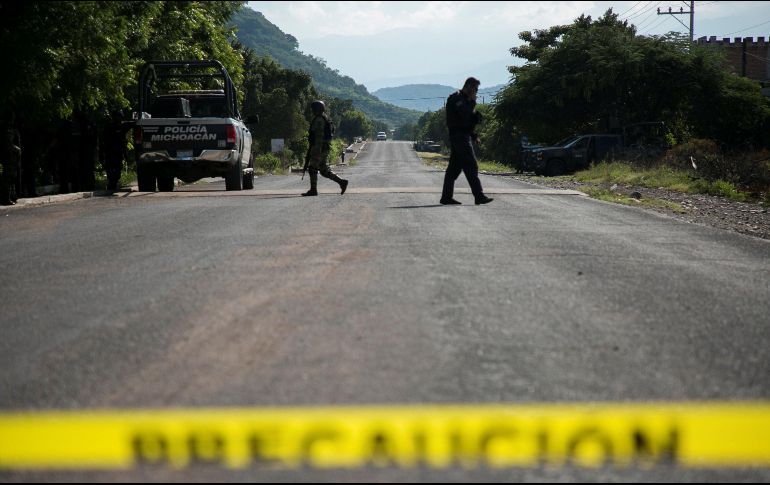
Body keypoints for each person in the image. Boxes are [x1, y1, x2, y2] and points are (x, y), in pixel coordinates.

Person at [440, 77, 493, 205]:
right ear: (469, 86)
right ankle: (479, 196)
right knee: (471, 165)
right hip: (459, 137)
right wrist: (473, 103)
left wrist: (474, 135)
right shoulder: (457, 98)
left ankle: (446, 197)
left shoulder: (466, 100)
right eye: (475, 89)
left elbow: (467, 121)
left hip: (463, 135)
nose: (476, 92)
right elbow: (464, 114)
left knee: (453, 169)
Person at [302, 100, 348, 197]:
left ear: (317, 109)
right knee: (323, 170)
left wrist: (315, 150)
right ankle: (342, 182)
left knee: (312, 168)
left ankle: (313, 190)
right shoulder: (324, 118)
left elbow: (318, 136)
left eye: (313, 109)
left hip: (319, 147)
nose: (312, 111)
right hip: (324, 147)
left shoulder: (319, 120)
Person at [0, 113, 22, 205]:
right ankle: (6, 198)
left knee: (11, 177)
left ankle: (11, 196)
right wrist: (17, 149)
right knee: (8, 178)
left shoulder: (8, 129)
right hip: (8, 156)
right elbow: (8, 143)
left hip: (10, 156)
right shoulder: (7, 129)